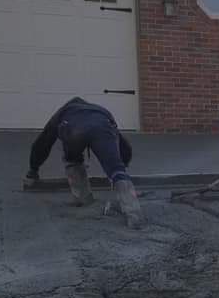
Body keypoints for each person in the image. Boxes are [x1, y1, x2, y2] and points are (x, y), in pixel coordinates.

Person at [23, 97, 144, 228]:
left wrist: (33, 170)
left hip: (73, 129)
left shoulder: (63, 112)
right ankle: (134, 214)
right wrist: (121, 166)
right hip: (102, 126)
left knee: (72, 159)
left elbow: (43, 143)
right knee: (116, 170)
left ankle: (83, 198)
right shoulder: (98, 111)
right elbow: (122, 144)